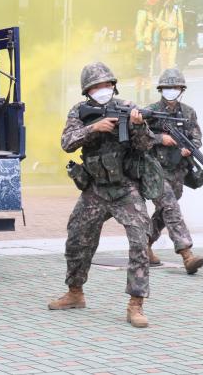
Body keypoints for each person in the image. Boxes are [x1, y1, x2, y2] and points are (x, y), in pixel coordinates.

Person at [49, 62, 156, 328]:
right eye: (96, 87)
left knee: (139, 240)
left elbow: (145, 146)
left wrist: (138, 126)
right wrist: (94, 128)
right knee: (77, 238)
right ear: (87, 91)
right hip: (95, 188)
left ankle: (136, 304)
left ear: (113, 86)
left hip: (125, 188)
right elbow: (67, 143)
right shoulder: (79, 112)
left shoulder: (128, 108)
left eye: (106, 85)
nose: (102, 90)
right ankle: (75, 293)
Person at [145, 69, 203, 274]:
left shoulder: (188, 113)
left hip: (177, 171)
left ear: (181, 90)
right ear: (161, 90)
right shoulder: (150, 111)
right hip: (155, 170)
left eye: (175, 87)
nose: (171, 91)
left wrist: (191, 148)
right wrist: (161, 139)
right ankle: (186, 253)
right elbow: (139, 137)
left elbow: (196, 137)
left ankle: (143, 245)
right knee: (170, 206)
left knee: (165, 211)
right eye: (167, 88)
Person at [134, 0, 160, 103]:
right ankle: (139, 98)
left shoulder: (151, 13)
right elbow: (138, 28)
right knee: (140, 73)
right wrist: (140, 42)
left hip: (148, 48)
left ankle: (145, 98)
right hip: (142, 48)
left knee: (148, 72)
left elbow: (155, 27)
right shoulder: (143, 12)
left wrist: (155, 37)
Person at [156, 0, 186, 70]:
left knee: (171, 63)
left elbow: (180, 25)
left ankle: (169, 80)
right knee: (163, 64)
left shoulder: (177, 10)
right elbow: (158, 23)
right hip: (163, 41)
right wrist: (156, 36)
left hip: (173, 42)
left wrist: (181, 40)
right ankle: (163, 80)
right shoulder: (162, 9)